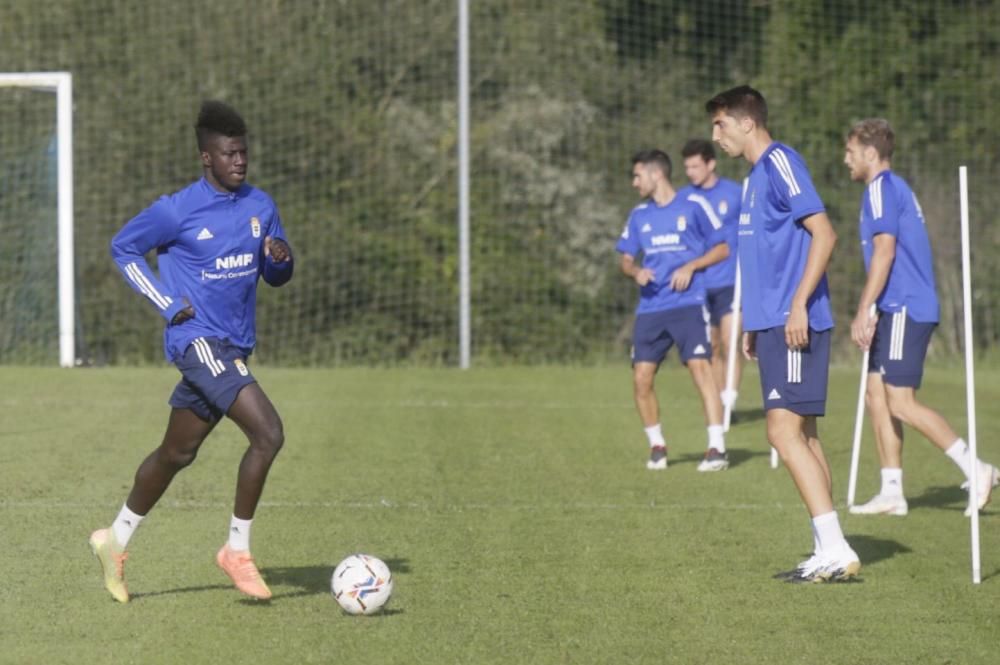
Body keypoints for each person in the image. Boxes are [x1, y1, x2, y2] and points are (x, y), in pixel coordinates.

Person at [89, 101, 294, 602]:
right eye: (230, 154)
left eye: (244, 152)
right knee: (268, 434)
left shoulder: (260, 206)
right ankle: (236, 551)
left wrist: (281, 260)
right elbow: (123, 247)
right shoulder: (176, 209)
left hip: (233, 345)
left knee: (177, 452)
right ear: (207, 158)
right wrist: (165, 301)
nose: (240, 161)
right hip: (194, 339)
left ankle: (114, 539)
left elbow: (276, 276)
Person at [706, 85, 860, 582]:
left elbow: (825, 232)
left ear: (747, 122)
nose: (716, 135)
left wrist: (796, 305)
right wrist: (756, 320)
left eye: (721, 124)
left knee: (781, 432)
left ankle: (837, 548)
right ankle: (826, 549)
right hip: (771, 322)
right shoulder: (753, 179)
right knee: (805, 436)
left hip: (795, 322)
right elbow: (765, 257)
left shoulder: (780, 162)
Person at [844, 118, 998, 517]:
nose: (846, 159)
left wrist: (864, 308)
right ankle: (892, 490)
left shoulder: (880, 189)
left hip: (904, 306)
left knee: (900, 401)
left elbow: (885, 252)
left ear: (871, 153)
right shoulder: (893, 189)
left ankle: (976, 468)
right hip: (895, 306)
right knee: (876, 395)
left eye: (850, 151)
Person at [616, 149, 731, 473]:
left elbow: (722, 247)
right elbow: (625, 256)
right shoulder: (639, 215)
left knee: (700, 369)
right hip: (651, 308)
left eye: (638, 175)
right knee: (641, 379)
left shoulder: (694, 206)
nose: (634, 182)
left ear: (656, 174)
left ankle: (716, 448)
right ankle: (657, 445)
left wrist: (691, 265)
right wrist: (634, 271)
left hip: (688, 304)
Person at [677, 139, 744, 415]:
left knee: (731, 342)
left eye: (695, 166)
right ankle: (718, 402)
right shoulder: (684, 198)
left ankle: (729, 398)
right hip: (700, 286)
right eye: (687, 167)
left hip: (731, 281)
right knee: (712, 347)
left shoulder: (735, 193)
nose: (690, 172)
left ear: (711, 164)